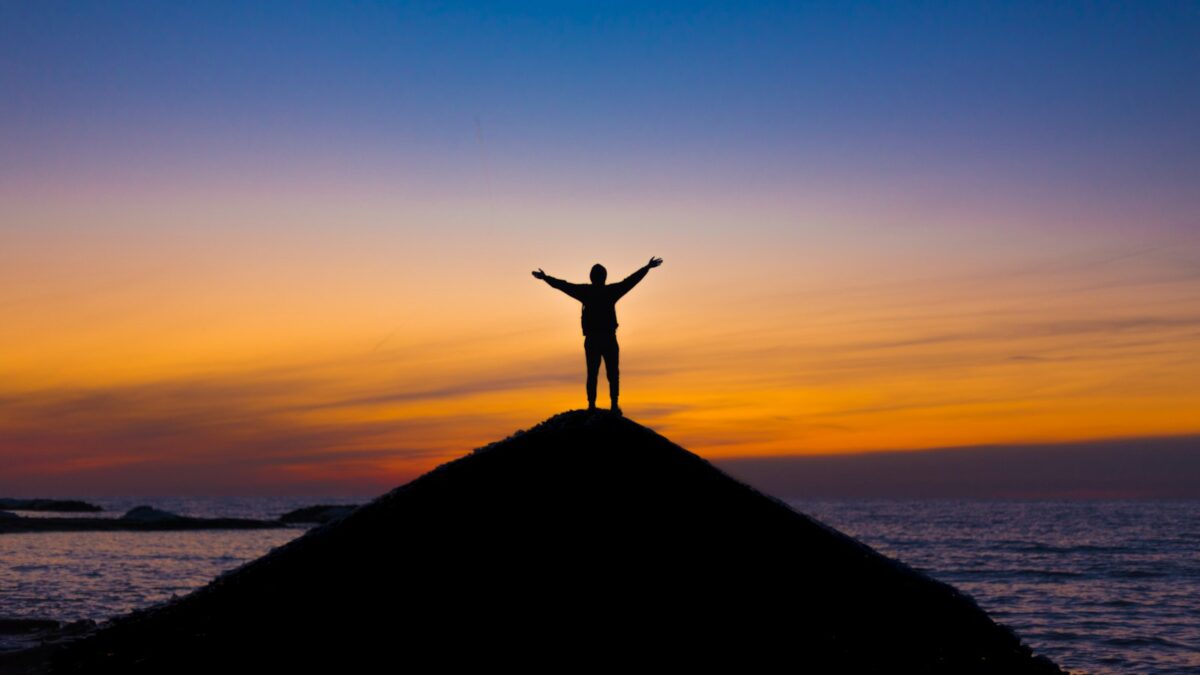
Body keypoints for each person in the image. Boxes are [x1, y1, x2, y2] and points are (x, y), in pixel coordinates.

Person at [532, 256, 663, 415]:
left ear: (592, 277)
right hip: (607, 338)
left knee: (594, 373)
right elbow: (630, 281)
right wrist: (646, 268)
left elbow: (563, 286)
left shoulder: (586, 292)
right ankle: (613, 405)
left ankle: (593, 406)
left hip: (595, 339)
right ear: (604, 277)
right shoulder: (610, 291)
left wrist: (546, 278)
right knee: (612, 373)